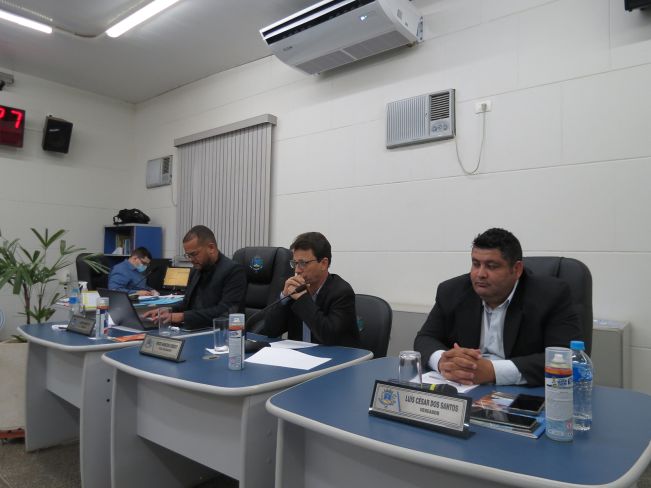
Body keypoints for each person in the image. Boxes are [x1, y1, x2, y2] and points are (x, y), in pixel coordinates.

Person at [414, 228, 582, 386]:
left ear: (517, 269)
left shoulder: (550, 295)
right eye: (476, 264)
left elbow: (566, 356)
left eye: (491, 266)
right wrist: (443, 361)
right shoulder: (452, 291)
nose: (480, 274)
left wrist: (493, 371)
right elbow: (425, 338)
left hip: (523, 393)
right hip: (465, 389)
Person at [260, 232, 359, 347]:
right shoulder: (295, 289)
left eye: (303, 263)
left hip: (333, 356)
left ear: (323, 263)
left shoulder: (341, 292)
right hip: (298, 355)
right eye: (295, 263)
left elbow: (330, 337)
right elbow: (270, 331)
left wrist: (303, 299)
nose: (297, 270)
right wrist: (284, 298)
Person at [143, 225, 246, 330]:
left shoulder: (234, 271)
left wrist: (182, 316)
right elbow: (187, 304)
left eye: (194, 254)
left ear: (211, 248)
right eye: (188, 255)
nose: (191, 259)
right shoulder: (196, 270)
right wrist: (168, 310)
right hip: (193, 329)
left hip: (219, 332)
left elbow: (226, 311)